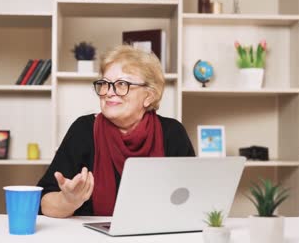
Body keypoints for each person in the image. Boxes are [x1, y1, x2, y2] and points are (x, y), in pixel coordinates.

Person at [37, 45, 195, 218]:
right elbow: (44, 203)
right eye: (105, 84)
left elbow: (193, 199)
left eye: (122, 84)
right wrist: (69, 201)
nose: (109, 93)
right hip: (93, 239)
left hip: (156, 238)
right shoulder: (84, 129)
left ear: (148, 96)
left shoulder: (172, 133)